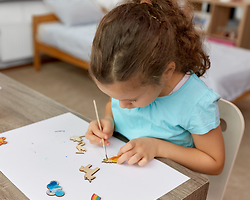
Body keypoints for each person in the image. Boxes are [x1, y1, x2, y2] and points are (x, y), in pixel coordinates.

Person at [85, 0, 225, 175]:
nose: (122, 105)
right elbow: (112, 108)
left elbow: (214, 163)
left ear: (167, 72)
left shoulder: (196, 102)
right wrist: (108, 122)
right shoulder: (128, 88)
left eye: (131, 100)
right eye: (115, 97)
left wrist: (158, 147)